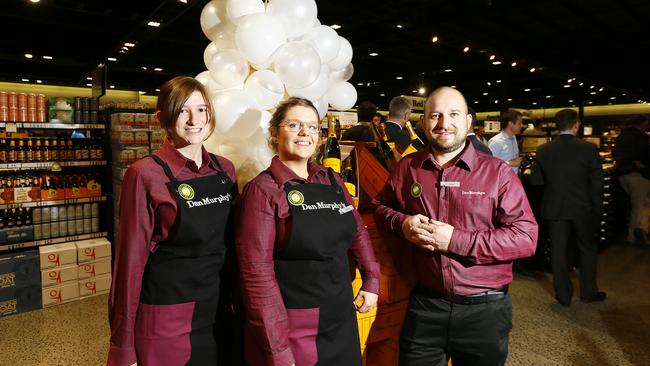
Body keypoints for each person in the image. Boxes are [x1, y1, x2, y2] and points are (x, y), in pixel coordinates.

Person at [372, 87, 537, 365]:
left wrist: (454, 240)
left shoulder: (498, 173)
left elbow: (525, 238)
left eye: (453, 114)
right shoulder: (409, 167)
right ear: (422, 123)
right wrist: (403, 224)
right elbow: (380, 207)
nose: (443, 124)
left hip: (484, 311)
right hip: (426, 305)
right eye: (434, 115)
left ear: (468, 122)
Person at [236, 97, 380, 366]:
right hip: (295, 328)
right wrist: (277, 349)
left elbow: (357, 229)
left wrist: (371, 277)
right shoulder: (264, 190)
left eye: (312, 127)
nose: (305, 133)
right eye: (294, 125)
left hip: (341, 316)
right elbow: (257, 275)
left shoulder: (331, 179)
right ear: (274, 133)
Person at [107, 76, 238, 366]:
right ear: (162, 118)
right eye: (183, 110)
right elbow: (130, 263)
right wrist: (122, 344)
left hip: (218, 313)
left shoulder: (225, 170)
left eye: (202, 109)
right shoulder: (144, 175)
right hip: (167, 318)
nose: (195, 119)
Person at [530, 109, 606, 307]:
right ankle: (588, 292)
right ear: (576, 124)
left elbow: (536, 181)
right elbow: (597, 183)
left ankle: (563, 295)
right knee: (587, 248)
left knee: (558, 251)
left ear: (557, 126)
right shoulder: (588, 148)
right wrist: (598, 209)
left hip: (555, 207)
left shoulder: (543, 150)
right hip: (582, 207)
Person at [613, 115, 650, 247]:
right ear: (644, 123)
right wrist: (641, 164)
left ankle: (641, 229)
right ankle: (634, 235)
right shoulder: (642, 137)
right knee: (639, 206)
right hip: (638, 175)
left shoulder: (622, 136)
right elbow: (645, 155)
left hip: (622, 175)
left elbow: (615, 154)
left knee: (642, 204)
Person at [488, 110, 524, 174]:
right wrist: (510, 163)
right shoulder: (496, 142)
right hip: (501, 182)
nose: (521, 125)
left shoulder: (513, 138)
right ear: (510, 123)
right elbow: (490, 165)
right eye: (519, 123)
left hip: (513, 180)